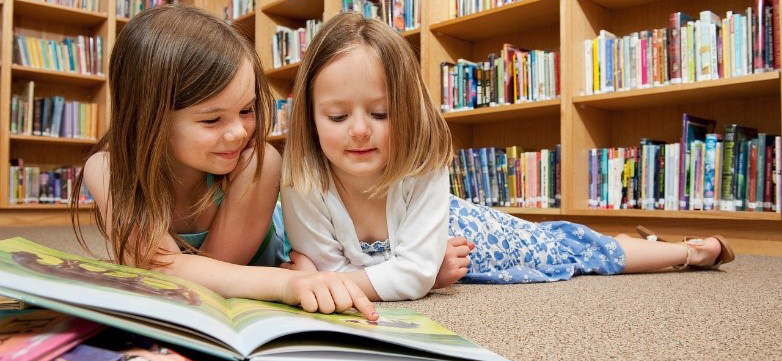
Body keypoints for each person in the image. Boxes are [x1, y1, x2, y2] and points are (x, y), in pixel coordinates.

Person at [279, 12, 735, 301]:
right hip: (437, 252)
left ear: (409, 111)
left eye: (380, 112)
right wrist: (405, 273)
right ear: (309, 118)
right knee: (568, 244)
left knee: (570, 247)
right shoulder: (301, 180)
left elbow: (346, 278)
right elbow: (346, 277)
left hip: (464, 231)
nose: (360, 130)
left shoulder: (423, 162)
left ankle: (688, 252)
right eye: (337, 116)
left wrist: (408, 275)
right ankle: (648, 243)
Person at [70, 5, 376, 320]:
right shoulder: (108, 169)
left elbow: (211, 278)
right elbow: (162, 271)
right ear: (146, 117)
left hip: (294, 248)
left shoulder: (258, 163)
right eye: (212, 119)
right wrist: (288, 283)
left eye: (247, 110)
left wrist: (293, 279)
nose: (238, 133)